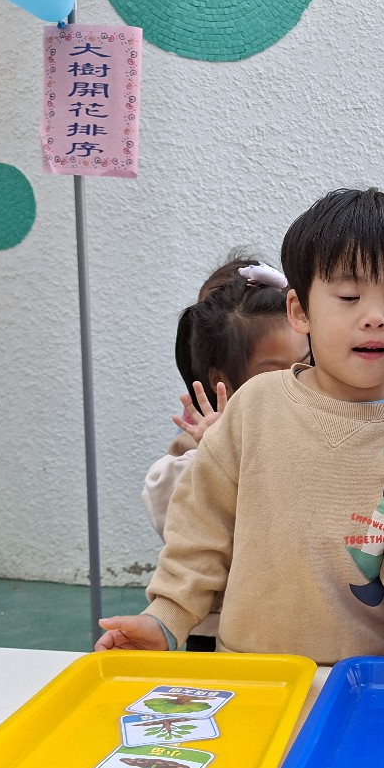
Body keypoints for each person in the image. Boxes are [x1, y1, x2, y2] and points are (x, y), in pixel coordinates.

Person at [99, 187, 384, 664]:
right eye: (348, 296)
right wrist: (166, 617)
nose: (374, 318)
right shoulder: (255, 405)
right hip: (247, 667)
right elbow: (202, 527)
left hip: (366, 676)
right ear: (300, 311)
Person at [141, 256, 310, 651]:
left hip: (293, 625)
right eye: (275, 372)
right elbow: (173, 518)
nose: (295, 384)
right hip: (212, 626)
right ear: (222, 382)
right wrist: (215, 455)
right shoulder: (198, 444)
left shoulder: (318, 428)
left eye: (306, 366)